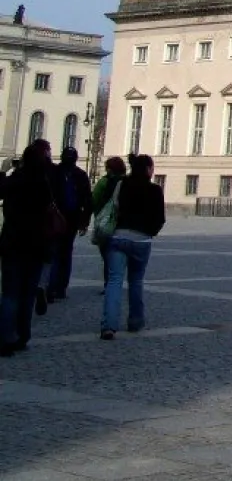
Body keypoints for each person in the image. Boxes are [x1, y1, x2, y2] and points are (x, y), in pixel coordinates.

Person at [100, 153, 166, 340]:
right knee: (136, 281)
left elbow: (113, 207)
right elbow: (160, 219)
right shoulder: (155, 190)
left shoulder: (123, 185)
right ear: (147, 169)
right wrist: (150, 232)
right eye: (152, 168)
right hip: (142, 241)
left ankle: (108, 326)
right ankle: (135, 322)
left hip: (119, 236)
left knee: (114, 281)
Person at [0, 141, 56, 356]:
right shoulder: (43, 182)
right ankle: (23, 335)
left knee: (10, 293)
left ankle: (5, 338)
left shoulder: (16, 179)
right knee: (27, 293)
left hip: (13, 242)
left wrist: (3, 172)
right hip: (36, 243)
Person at [48, 146, 93, 302]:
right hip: (71, 218)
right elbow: (88, 200)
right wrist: (84, 221)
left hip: (54, 217)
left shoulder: (53, 172)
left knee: (54, 252)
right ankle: (60, 287)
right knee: (65, 253)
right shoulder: (80, 175)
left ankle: (51, 286)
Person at [91, 157, 127, 288]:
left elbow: (94, 200)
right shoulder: (127, 182)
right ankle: (116, 280)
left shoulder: (103, 182)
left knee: (107, 256)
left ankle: (109, 282)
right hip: (123, 225)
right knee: (119, 256)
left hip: (105, 224)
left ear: (110, 169)